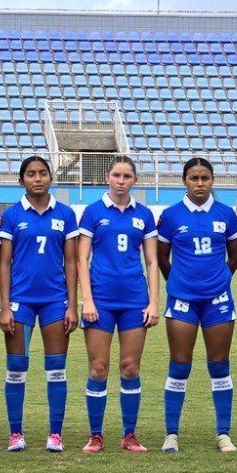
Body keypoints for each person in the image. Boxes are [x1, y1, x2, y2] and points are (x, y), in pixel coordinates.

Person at [157, 158, 237, 453]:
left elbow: (235, 256)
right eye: (194, 178)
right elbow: (162, 258)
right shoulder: (171, 216)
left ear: (212, 180)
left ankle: (223, 434)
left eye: (205, 178)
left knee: (219, 365)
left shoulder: (226, 214)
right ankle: (171, 434)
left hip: (218, 300)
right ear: (185, 181)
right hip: (182, 299)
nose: (199, 184)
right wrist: (181, 282)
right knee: (179, 365)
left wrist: (218, 281)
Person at [77, 155, 159, 453]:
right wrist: (87, 300)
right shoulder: (93, 212)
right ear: (107, 178)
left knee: (130, 368)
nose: (121, 181)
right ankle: (96, 435)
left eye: (127, 176)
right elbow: (81, 259)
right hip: (100, 301)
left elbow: (152, 262)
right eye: (116, 175)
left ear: (134, 180)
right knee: (98, 368)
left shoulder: (144, 215)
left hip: (134, 301)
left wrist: (153, 302)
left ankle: (129, 435)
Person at [0, 156, 79, 453]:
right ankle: (15, 433)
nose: (37, 179)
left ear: (50, 178)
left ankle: (55, 434)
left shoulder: (65, 214)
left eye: (43, 173)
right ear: (22, 180)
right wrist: (4, 306)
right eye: (31, 174)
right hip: (20, 301)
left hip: (55, 301)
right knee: (16, 367)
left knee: (56, 367)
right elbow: (3, 263)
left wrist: (72, 305)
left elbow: (71, 261)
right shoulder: (12, 215)